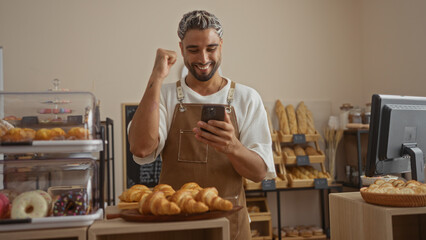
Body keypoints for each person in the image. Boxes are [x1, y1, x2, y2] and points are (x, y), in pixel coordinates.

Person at [129, 10, 276, 240]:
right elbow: (141, 148)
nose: (204, 59)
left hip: (230, 227)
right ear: (181, 49)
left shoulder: (247, 98)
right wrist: (156, 77)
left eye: (211, 48)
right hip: (174, 226)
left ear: (221, 45)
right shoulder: (165, 96)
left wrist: (232, 147)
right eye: (193, 50)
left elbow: (259, 173)